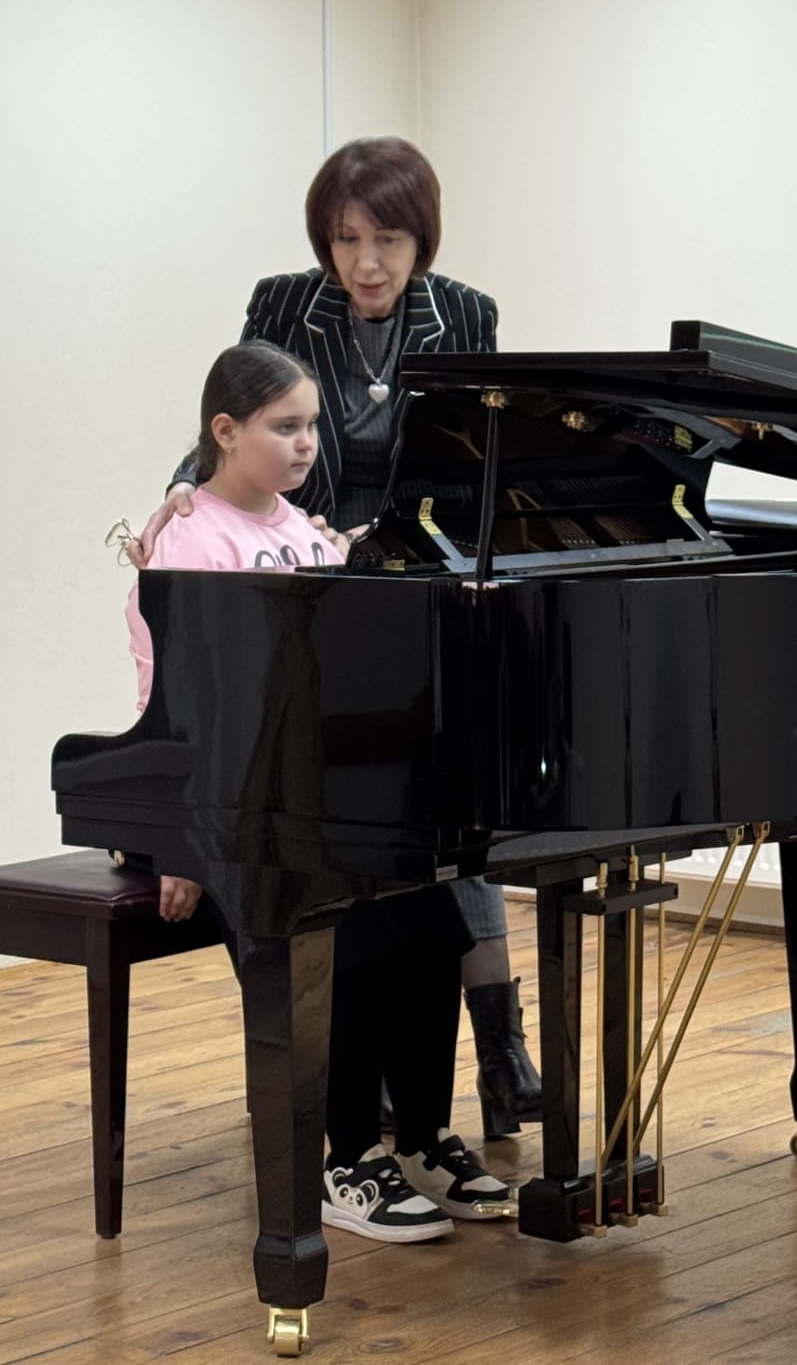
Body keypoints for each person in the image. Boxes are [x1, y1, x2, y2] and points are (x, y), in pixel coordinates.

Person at [133, 136, 541, 1138]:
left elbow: (472, 458)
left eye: (387, 239)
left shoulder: (467, 315)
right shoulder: (284, 304)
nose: (365, 261)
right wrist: (186, 494)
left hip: (400, 569)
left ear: (421, 240)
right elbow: (237, 410)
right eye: (346, 238)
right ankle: (360, 1071)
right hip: (300, 567)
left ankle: (499, 1049)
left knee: (450, 795)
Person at [128, 339, 511, 1241]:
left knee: (434, 915)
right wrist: (174, 845)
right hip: (234, 805)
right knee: (355, 927)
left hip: (322, 795)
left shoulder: (304, 530)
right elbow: (174, 698)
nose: (305, 444)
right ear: (226, 431)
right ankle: (344, 1159)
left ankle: (423, 1137)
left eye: (311, 427)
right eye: (283, 427)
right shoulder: (193, 537)